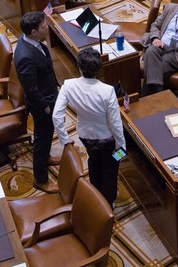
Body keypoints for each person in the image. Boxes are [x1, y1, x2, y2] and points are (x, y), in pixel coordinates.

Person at [52, 48, 125, 207]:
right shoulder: (107, 91)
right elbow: (115, 123)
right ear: (99, 69)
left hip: (85, 137)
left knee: (93, 162)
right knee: (111, 169)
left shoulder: (68, 85)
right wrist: (122, 146)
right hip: (108, 140)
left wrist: (65, 140)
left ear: (79, 67)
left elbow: (56, 116)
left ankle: (96, 196)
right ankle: (108, 202)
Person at [14, 11, 61, 193]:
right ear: (33, 32)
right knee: (41, 139)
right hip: (42, 104)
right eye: (43, 27)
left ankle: (47, 157)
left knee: (48, 134)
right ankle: (41, 180)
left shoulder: (27, 40)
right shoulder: (26, 57)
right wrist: (46, 107)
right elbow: (31, 90)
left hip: (48, 93)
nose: (46, 28)